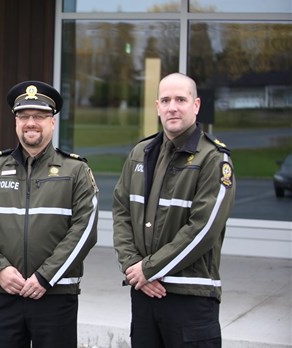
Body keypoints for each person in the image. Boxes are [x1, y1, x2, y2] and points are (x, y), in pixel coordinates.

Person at [0, 80, 99, 347]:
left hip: (55, 295)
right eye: (24, 116)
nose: (31, 123)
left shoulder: (75, 170)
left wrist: (45, 276)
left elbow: (85, 229)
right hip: (5, 293)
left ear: (53, 122)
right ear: (15, 122)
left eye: (39, 116)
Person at [112, 73, 236, 348]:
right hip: (144, 295)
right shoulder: (139, 154)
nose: (172, 107)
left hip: (190, 297)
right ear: (157, 106)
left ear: (196, 105)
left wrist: (148, 269)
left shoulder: (214, 159)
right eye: (166, 100)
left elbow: (203, 228)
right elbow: (121, 212)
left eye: (181, 99)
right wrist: (134, 267)